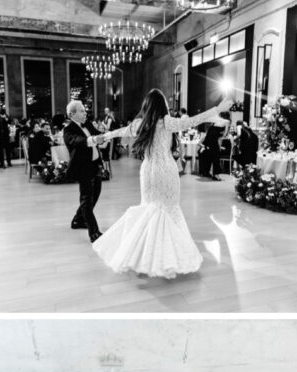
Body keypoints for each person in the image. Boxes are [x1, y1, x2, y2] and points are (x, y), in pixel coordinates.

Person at [92, 89, 233, 278]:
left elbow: (119, 132)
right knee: (168, 209)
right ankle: (167, 257)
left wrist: (102, 137)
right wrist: (216, 109)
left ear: (147, 105)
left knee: (149, 209)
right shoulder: (167, 122)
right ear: (162, 105)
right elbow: (193, 120)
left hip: (148, 171)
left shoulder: (138, 124)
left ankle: (144, 255)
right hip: (166, 170)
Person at [63, 100, 106, 243]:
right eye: (81, 111)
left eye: (84, 110)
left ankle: (78, 220)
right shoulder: (68, 130)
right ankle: (93, 232)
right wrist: (94, 139)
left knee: (96, 193)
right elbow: (78, 140)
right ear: (72, 114)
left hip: (95, 164)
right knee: (87, 199)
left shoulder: (87, 124)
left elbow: (98, 134)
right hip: (82, 167)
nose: (85, 112)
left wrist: (107, 136)